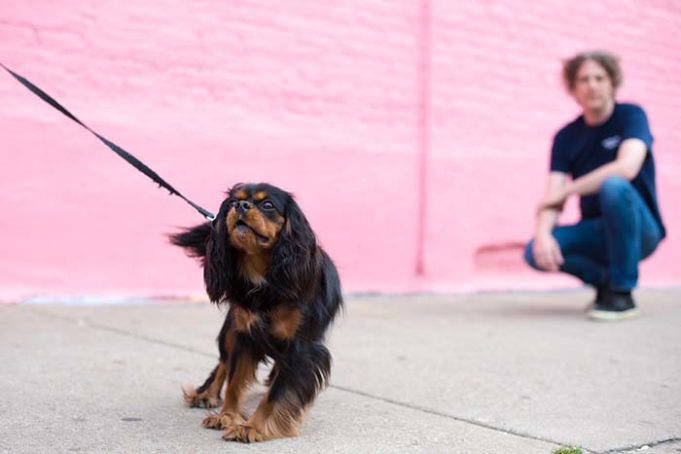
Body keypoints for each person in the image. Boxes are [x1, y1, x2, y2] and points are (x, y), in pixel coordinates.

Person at [524, 50, 665, 321]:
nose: (592, 85)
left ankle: (622, 294)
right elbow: (552, 196)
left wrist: (568, 189)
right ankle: (605, 282)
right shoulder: (565, 137)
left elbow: (627, 168)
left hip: (640, 231)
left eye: (599, 78)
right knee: (534, 252)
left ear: (612, 83)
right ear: (573, 89)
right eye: (584, 79)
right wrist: (542, 233)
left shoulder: (632, 116)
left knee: (613, 186)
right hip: (598, 232)